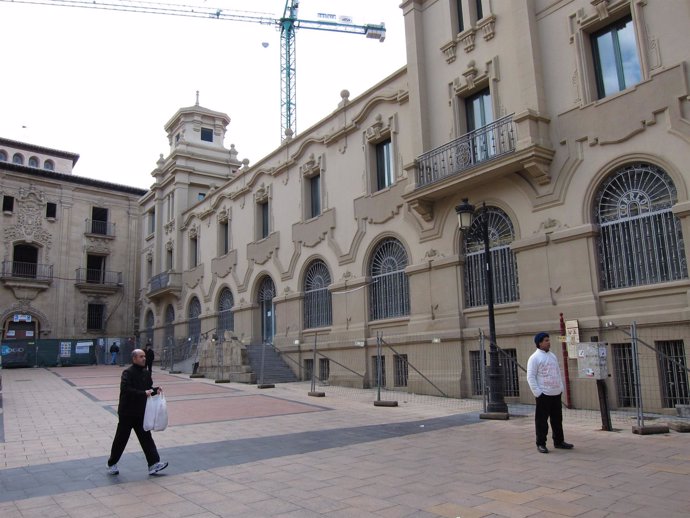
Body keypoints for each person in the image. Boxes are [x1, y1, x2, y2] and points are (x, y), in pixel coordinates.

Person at [106, 349, 168, 476]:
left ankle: (153, 464)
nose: (144, 358)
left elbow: (148, 389)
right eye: (141, 357)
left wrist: (156, 390)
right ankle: (112, 463)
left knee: (146, 438)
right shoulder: (127, 372)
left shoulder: (146, 373)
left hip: (140, 412)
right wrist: (143, 393)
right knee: (121, 439)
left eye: (144, 356)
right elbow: (126, 389)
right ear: (134, 359)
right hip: (127, 413)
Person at [526, 332, 574, 454]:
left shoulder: (552, 356)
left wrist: (561, 387)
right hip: (544, 395)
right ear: (539, 343)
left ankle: (559, 441)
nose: (549, 342)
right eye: (546, 340)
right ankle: (541, 443)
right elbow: (530, 377)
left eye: (549, 340)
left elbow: (557, 372)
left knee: (557, 419)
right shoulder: (534, 358)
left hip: (556, 393)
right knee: (542, 421)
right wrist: (538, 393)